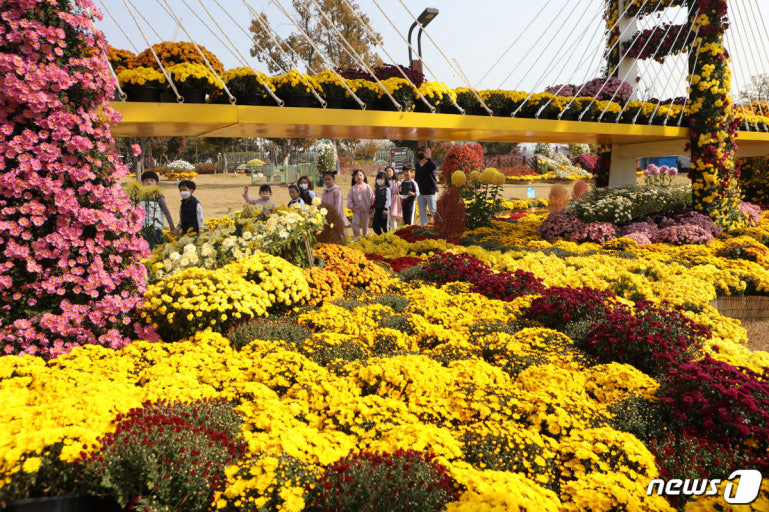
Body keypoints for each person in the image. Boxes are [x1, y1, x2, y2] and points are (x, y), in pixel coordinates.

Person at [139, 171, 175, 249]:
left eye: (152, 181)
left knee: (156, 248)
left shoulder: (159, 197)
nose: (149, 183)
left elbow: (166, 211)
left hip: (156, 229)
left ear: (157, 184)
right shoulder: (140, 197)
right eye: (146, 181)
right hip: (143, 229)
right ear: (142, 183)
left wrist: (172, 227)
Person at [347, 169, 373, 239]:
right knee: (354, 223)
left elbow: (372, 197)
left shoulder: (367, 187)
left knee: (365, 226)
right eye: (357, 175)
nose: (359, 177)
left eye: (360, 175)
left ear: (364, 176)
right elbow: (349, 198)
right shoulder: (353, 188)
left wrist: (372, 207)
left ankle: (365, 238)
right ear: (354, 178)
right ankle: (358, 238)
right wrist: (351, 206)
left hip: (366, 209)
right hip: (356, 210)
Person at [414, 145, 437, 225]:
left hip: (430, 191)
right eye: (419, 153)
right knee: (422, 211)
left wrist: (429, 158)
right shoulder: (417, 164)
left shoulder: (429, 163)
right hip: (420, 192)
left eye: (422, 153)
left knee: (433, 210)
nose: (420, 154)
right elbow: (417, 177)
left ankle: (441, 225)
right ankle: (424, 226)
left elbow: (434, 166)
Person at [371, 170, 391, 235]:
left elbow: (388, 200)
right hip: (377, 210)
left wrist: (386, 208)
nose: (380, 180)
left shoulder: (387, 189)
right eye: (378, 179)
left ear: (385, 180)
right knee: (375, 225)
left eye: (381, 179)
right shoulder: (377, 190)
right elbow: (375, 199)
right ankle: (380, 236)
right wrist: (372, 206)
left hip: (384, 210)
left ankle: (388, 237)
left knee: (385, 226)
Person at [385, 166, 402, 231]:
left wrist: (399, 191)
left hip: (394, 202)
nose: (388, 173)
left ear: (393, 172)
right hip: (386, 201)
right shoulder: (384, 182)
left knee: (393, 218)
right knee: (386, 218)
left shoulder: (397, 182)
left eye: (390, 171)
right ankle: (387, 231)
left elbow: (401, 189)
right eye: (387, 171)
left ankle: (395, 232)